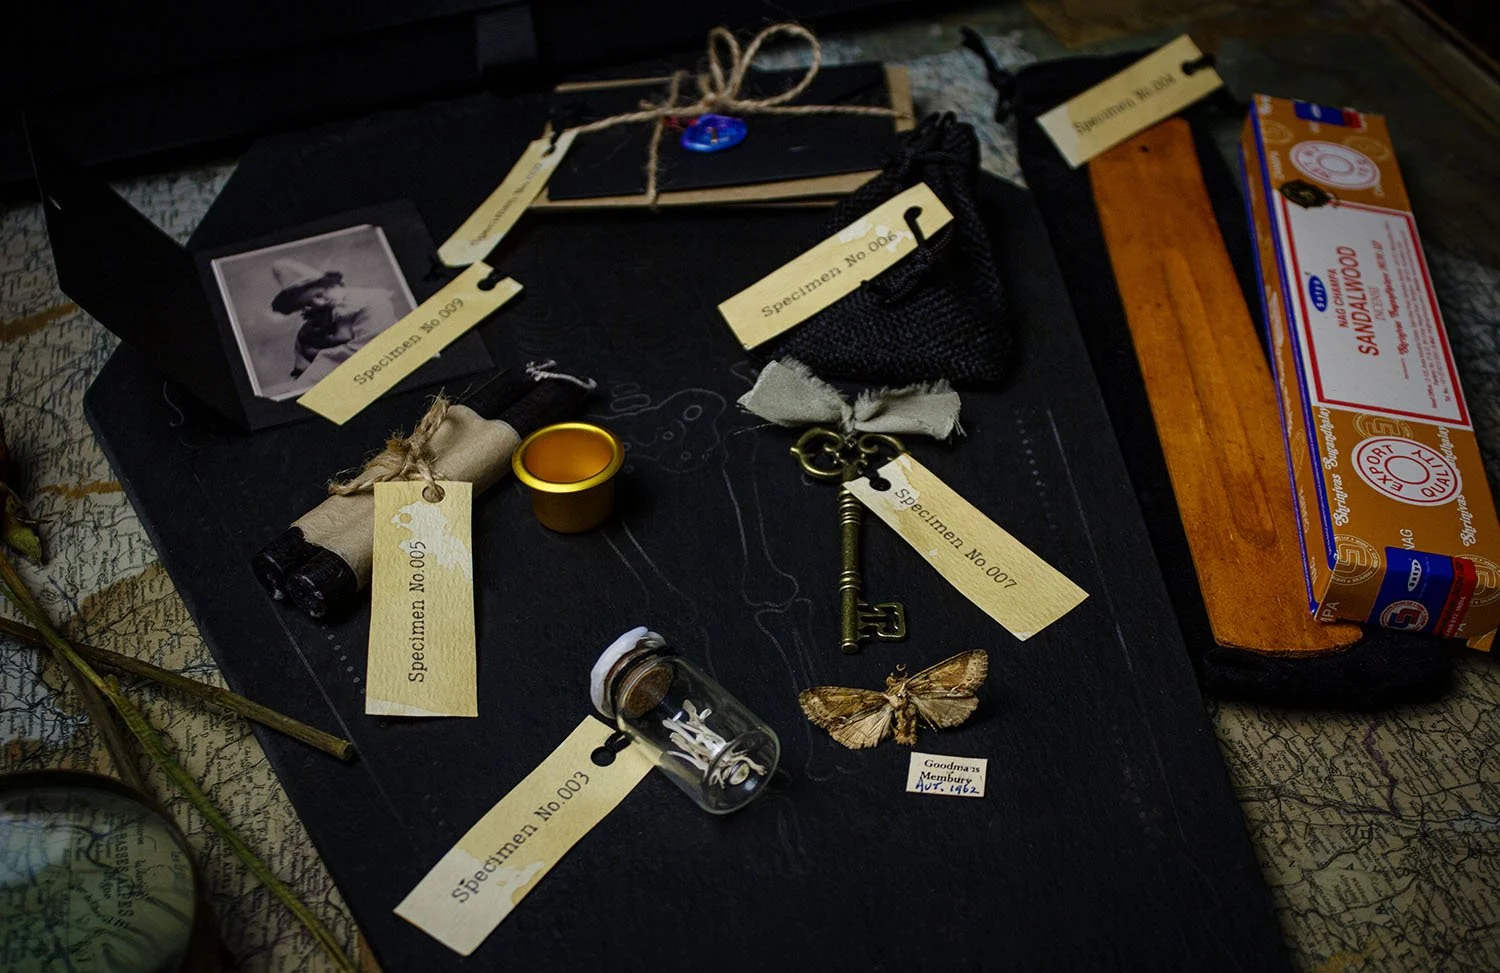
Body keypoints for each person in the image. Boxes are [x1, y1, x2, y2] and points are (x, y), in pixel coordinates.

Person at [269, 258, 399, 383]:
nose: (319, 303)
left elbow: (369, 351)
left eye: (319, 295)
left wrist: (315, 364)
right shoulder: (312, 326)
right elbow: (302, 367)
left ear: (333, 285)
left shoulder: (371, 303)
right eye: (308, 304)